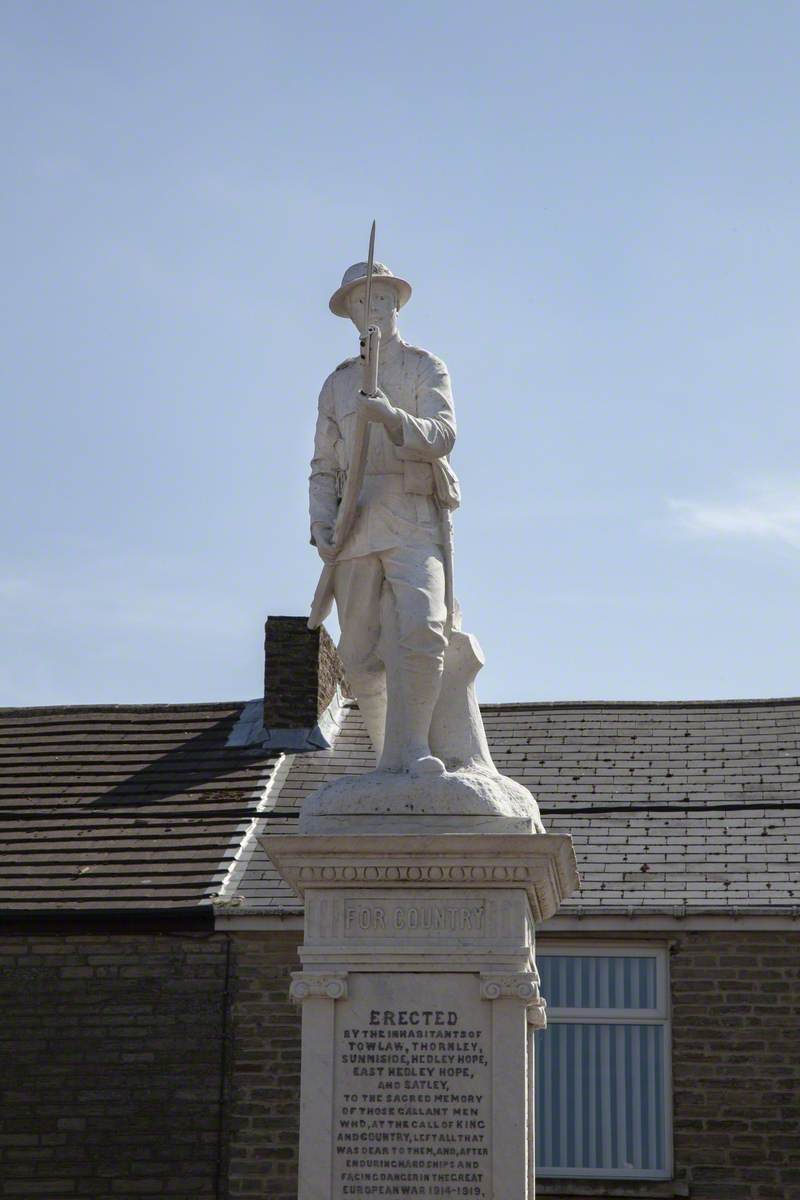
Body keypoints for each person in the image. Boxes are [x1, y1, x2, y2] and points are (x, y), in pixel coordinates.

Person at [309, 261, 459, 775]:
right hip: (356, 521)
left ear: (396, 306)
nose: (371, 311)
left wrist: (391, 418)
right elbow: (325, 466)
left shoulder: (423, 367)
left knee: (424, 626)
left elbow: (443, 435)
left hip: (412, 512)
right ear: (350, 314)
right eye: (360, 303)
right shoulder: (336, 386)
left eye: (380, 300)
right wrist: (320, 524)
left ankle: (414, 746)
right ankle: (384, 757)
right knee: (356, 652)